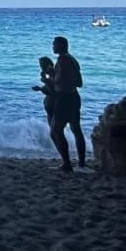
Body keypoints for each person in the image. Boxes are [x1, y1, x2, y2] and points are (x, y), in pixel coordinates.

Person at [49, 35, 85, 172]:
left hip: (64, 98)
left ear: (60, 45)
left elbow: (59, 82)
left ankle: (67, 163)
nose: (52, 47)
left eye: (54, 44)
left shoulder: (63, 60)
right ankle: (81, 163)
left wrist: (51, 76)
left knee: (56, 130)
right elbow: (79, 83)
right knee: (76, 129)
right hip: (74, 97)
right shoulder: (73, 60)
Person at [33, 55, 56, 126]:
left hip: (53, 102)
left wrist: (44, 81)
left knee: (54, 127)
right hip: (51, 103)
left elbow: (53, 91)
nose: (41, 67)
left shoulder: (51, 73)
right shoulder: (48, 73)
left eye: (42, 65)